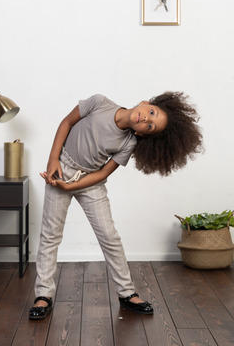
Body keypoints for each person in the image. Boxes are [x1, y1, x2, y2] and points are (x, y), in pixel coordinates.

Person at [29, 93, 203, 320]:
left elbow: (102, 172)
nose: (146, 120)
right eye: (151, 113)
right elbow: (67, 122)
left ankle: (127, 293)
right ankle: (43, 295)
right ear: (145, 103)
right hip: (61, 169)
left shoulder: (128, 143)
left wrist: (74, 187)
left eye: (150, 126)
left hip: (91, 183)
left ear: (142, 133)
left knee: (109, 237)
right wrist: (53, 160)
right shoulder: (99, 103)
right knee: (50, 235)